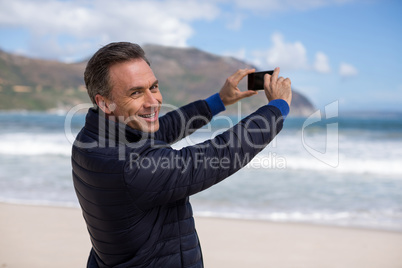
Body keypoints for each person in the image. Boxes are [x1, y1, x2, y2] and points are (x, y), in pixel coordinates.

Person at [72, 42, 292, 268]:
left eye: (154, 87)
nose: (153, 101)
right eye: (136, 92)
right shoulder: (133, 168)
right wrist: (277, 108)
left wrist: (218, 101)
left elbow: (163, 128)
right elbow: (217, 155)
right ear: (104, 102)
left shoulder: (89, 139)